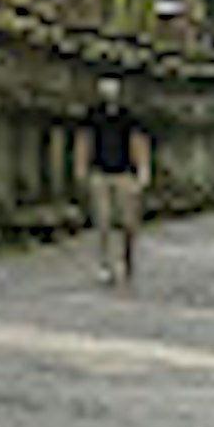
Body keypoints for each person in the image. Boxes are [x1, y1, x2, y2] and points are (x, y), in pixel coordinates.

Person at [86, 81, 149, 285]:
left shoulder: (129, 116)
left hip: (124, 173)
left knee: (128, 222)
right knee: (103, 220)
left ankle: (126, 258)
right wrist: (82, 168)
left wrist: (142, 170)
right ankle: (104, 263)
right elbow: (84, 139)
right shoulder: (93, 115)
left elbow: (138, 141)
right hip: (100, 172)